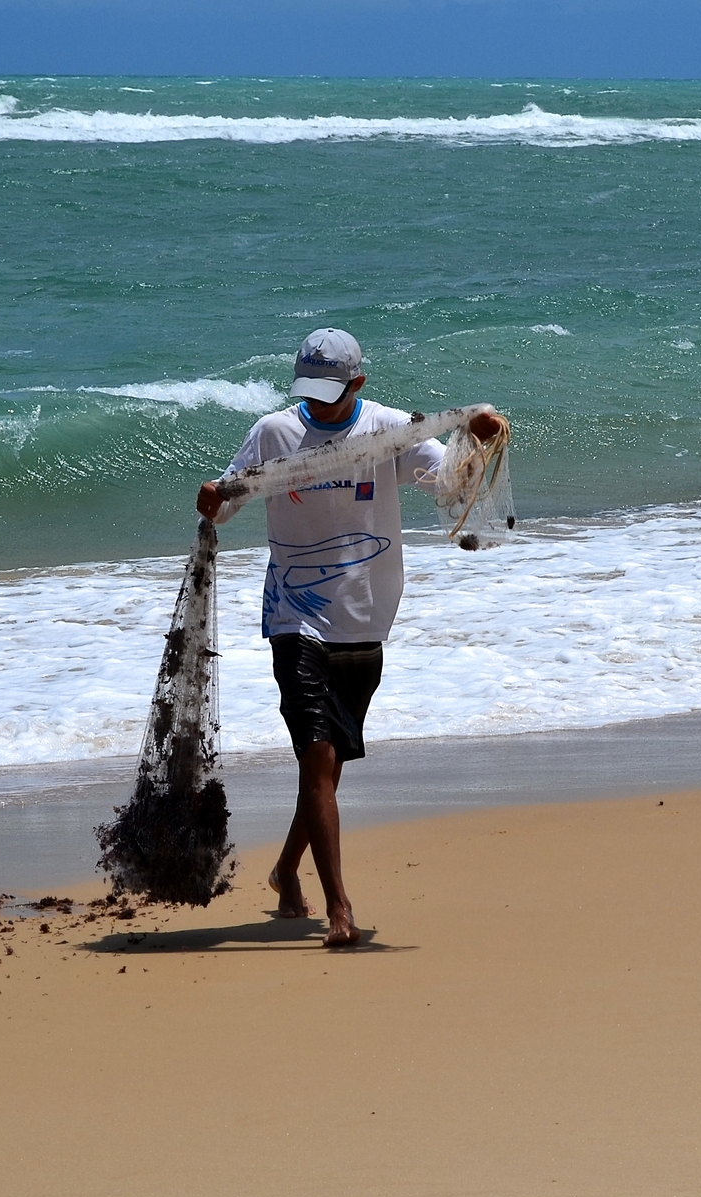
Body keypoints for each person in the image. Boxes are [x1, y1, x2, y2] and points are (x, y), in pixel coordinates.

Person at [196, 328, 504, 947]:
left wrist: (477, 435)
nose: (318, 403)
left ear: (357, 384)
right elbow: (226, 501)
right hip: (295, 615)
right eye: (308, 390)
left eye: (330, 392)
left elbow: (451, 483)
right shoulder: (274, 432)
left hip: (366, 615)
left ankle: (286, 869)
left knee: (329, 768)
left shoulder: (390, 431)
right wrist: (211, 499)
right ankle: (339, 907)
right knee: (317, 755)